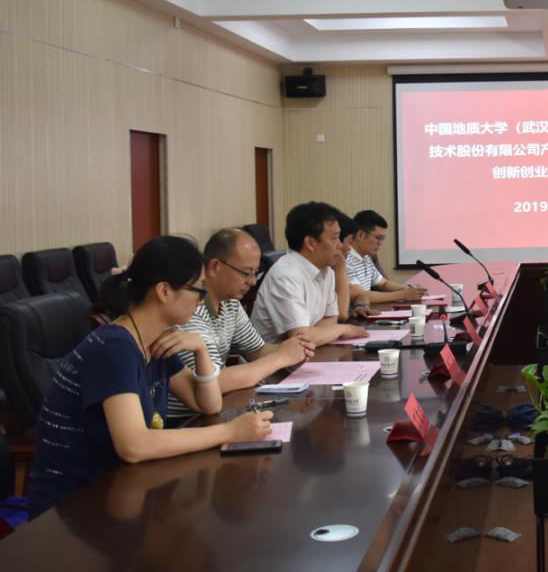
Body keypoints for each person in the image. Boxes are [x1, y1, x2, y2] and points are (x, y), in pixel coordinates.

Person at [27, 236, 273, 518]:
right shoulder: (115, 347)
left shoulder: (154, 341)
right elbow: (134, 445)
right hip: (73, 507)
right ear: (164, 291)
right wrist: (229, 432)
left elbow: (207, 404)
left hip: (122, 491)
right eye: (198, 290)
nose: (201, 299)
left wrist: (201, 350)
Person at [167, 228, 315, 419]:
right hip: (186, 420)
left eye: (255, 273)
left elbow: (257, 351)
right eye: (246, 273)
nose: (252, 282)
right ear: (214, 267)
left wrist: (295, 349)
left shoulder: (231, 304)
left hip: (215, 409)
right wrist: (281, 358)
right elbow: (215, 381)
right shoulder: (190, 308)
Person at [250, 202, 369, 346]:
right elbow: (301, 339)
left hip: (310, 351)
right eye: (334, 238)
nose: (340, 244)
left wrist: (313, 333)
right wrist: (343, 329)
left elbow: (332, 318)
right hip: (273, 358)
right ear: (310, 243)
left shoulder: (326, 270)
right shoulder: (286, 276)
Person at [345, 210, 425, 306]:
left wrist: (407, 289)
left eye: (383, 238)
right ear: (361, 235)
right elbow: (361, 295)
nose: (381, 243)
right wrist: (404, 295)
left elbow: (383, 283)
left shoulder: (366, 257)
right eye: (378, 238)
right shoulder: (346, 260)